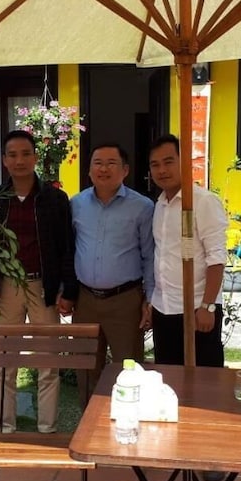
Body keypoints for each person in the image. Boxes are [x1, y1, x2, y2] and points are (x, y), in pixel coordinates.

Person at [0, 129, 78, 433]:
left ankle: (47, 428)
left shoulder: (54, 199)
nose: (19, 160)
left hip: (43, 287)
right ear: (4, 160)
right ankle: (5, 428)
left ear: (36, 157)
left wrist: (67, 289)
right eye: (12, 155)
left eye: (26, 154)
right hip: (6, 287)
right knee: (5, 361)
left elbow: (66, 247)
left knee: (48, 361)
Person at [71, 142, 154, 380]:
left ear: (125, 170)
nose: (103, 169)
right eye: (97, 163)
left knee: (129, 370)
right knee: (85, 370)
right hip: (85, 300)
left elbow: (149, 256)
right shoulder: (76, 204)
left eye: (111, 163)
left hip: (125, 301)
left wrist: (149, 299)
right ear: (89, 170)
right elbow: (69, 249)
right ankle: (88, 406)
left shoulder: (142, 207)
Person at [148, 133, 229, 368]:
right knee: (167, 377)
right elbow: (163, 256)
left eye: (168, 162)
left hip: (196, 310)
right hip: (164, 309)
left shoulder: (203, 201)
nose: (162, 170)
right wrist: (153, 302)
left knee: (204, 380)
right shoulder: (160, 205)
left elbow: (216, 258)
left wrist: (207, 306)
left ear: (184, 162)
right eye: (155, 165)